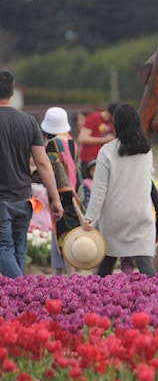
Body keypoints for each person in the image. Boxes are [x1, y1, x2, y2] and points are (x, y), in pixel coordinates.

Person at [0, 71, 64, 277]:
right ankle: (20, 299)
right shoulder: (29, 122)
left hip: (1, 199)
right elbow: (43, 163)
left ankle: (21, 288)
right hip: (23, 197)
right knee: (18, 249)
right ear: (12, 91)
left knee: (3, 248)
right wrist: (55, 198)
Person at [81, 104, 157, 277]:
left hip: (115, 216)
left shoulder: (107, 151)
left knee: (107, 263)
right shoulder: (146, 150)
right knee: (145, 262)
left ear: (116, 124)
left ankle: (95, 298)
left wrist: (90, 217)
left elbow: (99, 189)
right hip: (140, 213)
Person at [41, 106, 81, 274]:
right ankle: (61, 274)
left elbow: (51, 169)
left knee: (62, 234)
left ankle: (65, 275)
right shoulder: (71, 141)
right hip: (75, 191)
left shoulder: (51, 145)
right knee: (69, 234)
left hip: (60, 193)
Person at [77, 103, 117, 170]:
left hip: (103, 159)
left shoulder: (110, 123)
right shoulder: (94, 118)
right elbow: (82, 138)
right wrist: (104, 139)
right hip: (89, 160)